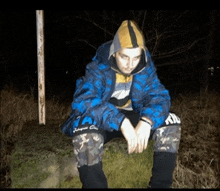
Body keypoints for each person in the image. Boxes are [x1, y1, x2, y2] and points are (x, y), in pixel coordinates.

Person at [61, 20, 181, 188]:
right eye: (124, 57)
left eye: (136, 57)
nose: (130, 65)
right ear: (115, 52)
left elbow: (160, 97)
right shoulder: (99, 67)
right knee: (84, 130)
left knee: (172, 121)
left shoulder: (145, 67)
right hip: (104, 121)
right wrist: (121, 122)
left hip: (134, 118)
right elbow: (84, 101)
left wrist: (147, 121)